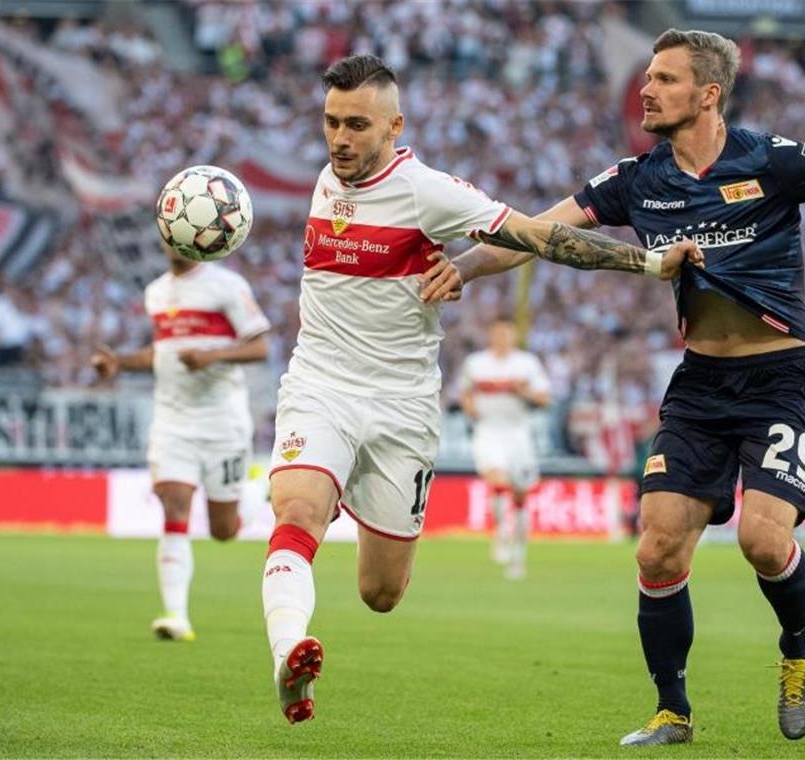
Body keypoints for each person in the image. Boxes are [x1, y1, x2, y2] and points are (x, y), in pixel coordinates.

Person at [421, 28, 805, 746]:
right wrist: (462, 268)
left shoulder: (772, 159)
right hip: (700, 384)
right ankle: (673, 711)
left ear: (707, 94)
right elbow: (534, 231)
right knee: (657, 549)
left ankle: (798, 647)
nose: (646, 89)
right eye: (646, 78)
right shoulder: (636, 178)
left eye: (664, 79)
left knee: (765, 543)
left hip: (780, 380)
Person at [261, 53, 700, 726]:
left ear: (393, 125)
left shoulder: (428, 192)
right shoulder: (329, 177)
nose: (340, 139)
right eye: (330, 123)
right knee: (295, 512)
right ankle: (290, 653)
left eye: (355, 124)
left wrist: (648, 262)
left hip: (403, 406)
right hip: (319, 385)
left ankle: (344, 491)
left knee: (382, 592)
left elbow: (539, 237)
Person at [91, 239, 270, 642]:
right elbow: (162, 353)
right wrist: (118, 362)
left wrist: (212, 356)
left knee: (225, 530)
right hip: (172, 421)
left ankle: (260, 486)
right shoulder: (156, 292)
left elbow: (260, 345)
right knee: (174, 504)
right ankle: (176, 616)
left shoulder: (226, 285)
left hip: (222, 421)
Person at [457, 317, 552, 580]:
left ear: (513, 335)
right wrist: (469, 407)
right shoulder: (476, 364)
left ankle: (518, 555)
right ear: (491, 335)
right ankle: (500, 530)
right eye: (497, 333)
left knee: (520, 494)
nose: (502, 338)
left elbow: (545, 399)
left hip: (518, 434)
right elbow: (464, 393)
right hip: (488, 430)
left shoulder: (527, 363)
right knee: (496, 478)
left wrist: (525, 392)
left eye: (506, 334)